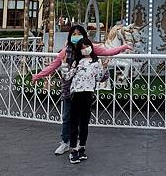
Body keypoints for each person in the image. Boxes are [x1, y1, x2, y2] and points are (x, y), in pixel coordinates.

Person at [32, 24, 131, 155]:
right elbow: (53, 66)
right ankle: (65, 142)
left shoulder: (89, 48)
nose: (76, 36)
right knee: (67, 116)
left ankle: (79, 142)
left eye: (79, 34)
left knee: (81, 118)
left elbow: (107, 52)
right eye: (74, 34)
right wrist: (39, 75)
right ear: (70, 36)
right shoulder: (65, 52)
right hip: (70, 89)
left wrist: (123, 47)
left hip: (84, 90)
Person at [60, 36, 106, 164]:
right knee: (74, 122)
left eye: (87, 46)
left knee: (84, 123)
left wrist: (104, 68)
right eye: (82, 47)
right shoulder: (77, 62)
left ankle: (82, 147)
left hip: (88, 93)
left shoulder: (96, 62)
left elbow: (99, 78)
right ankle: (73, 149)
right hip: (77, 93)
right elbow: (67, 76)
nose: (85, 49)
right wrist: (64, 64)